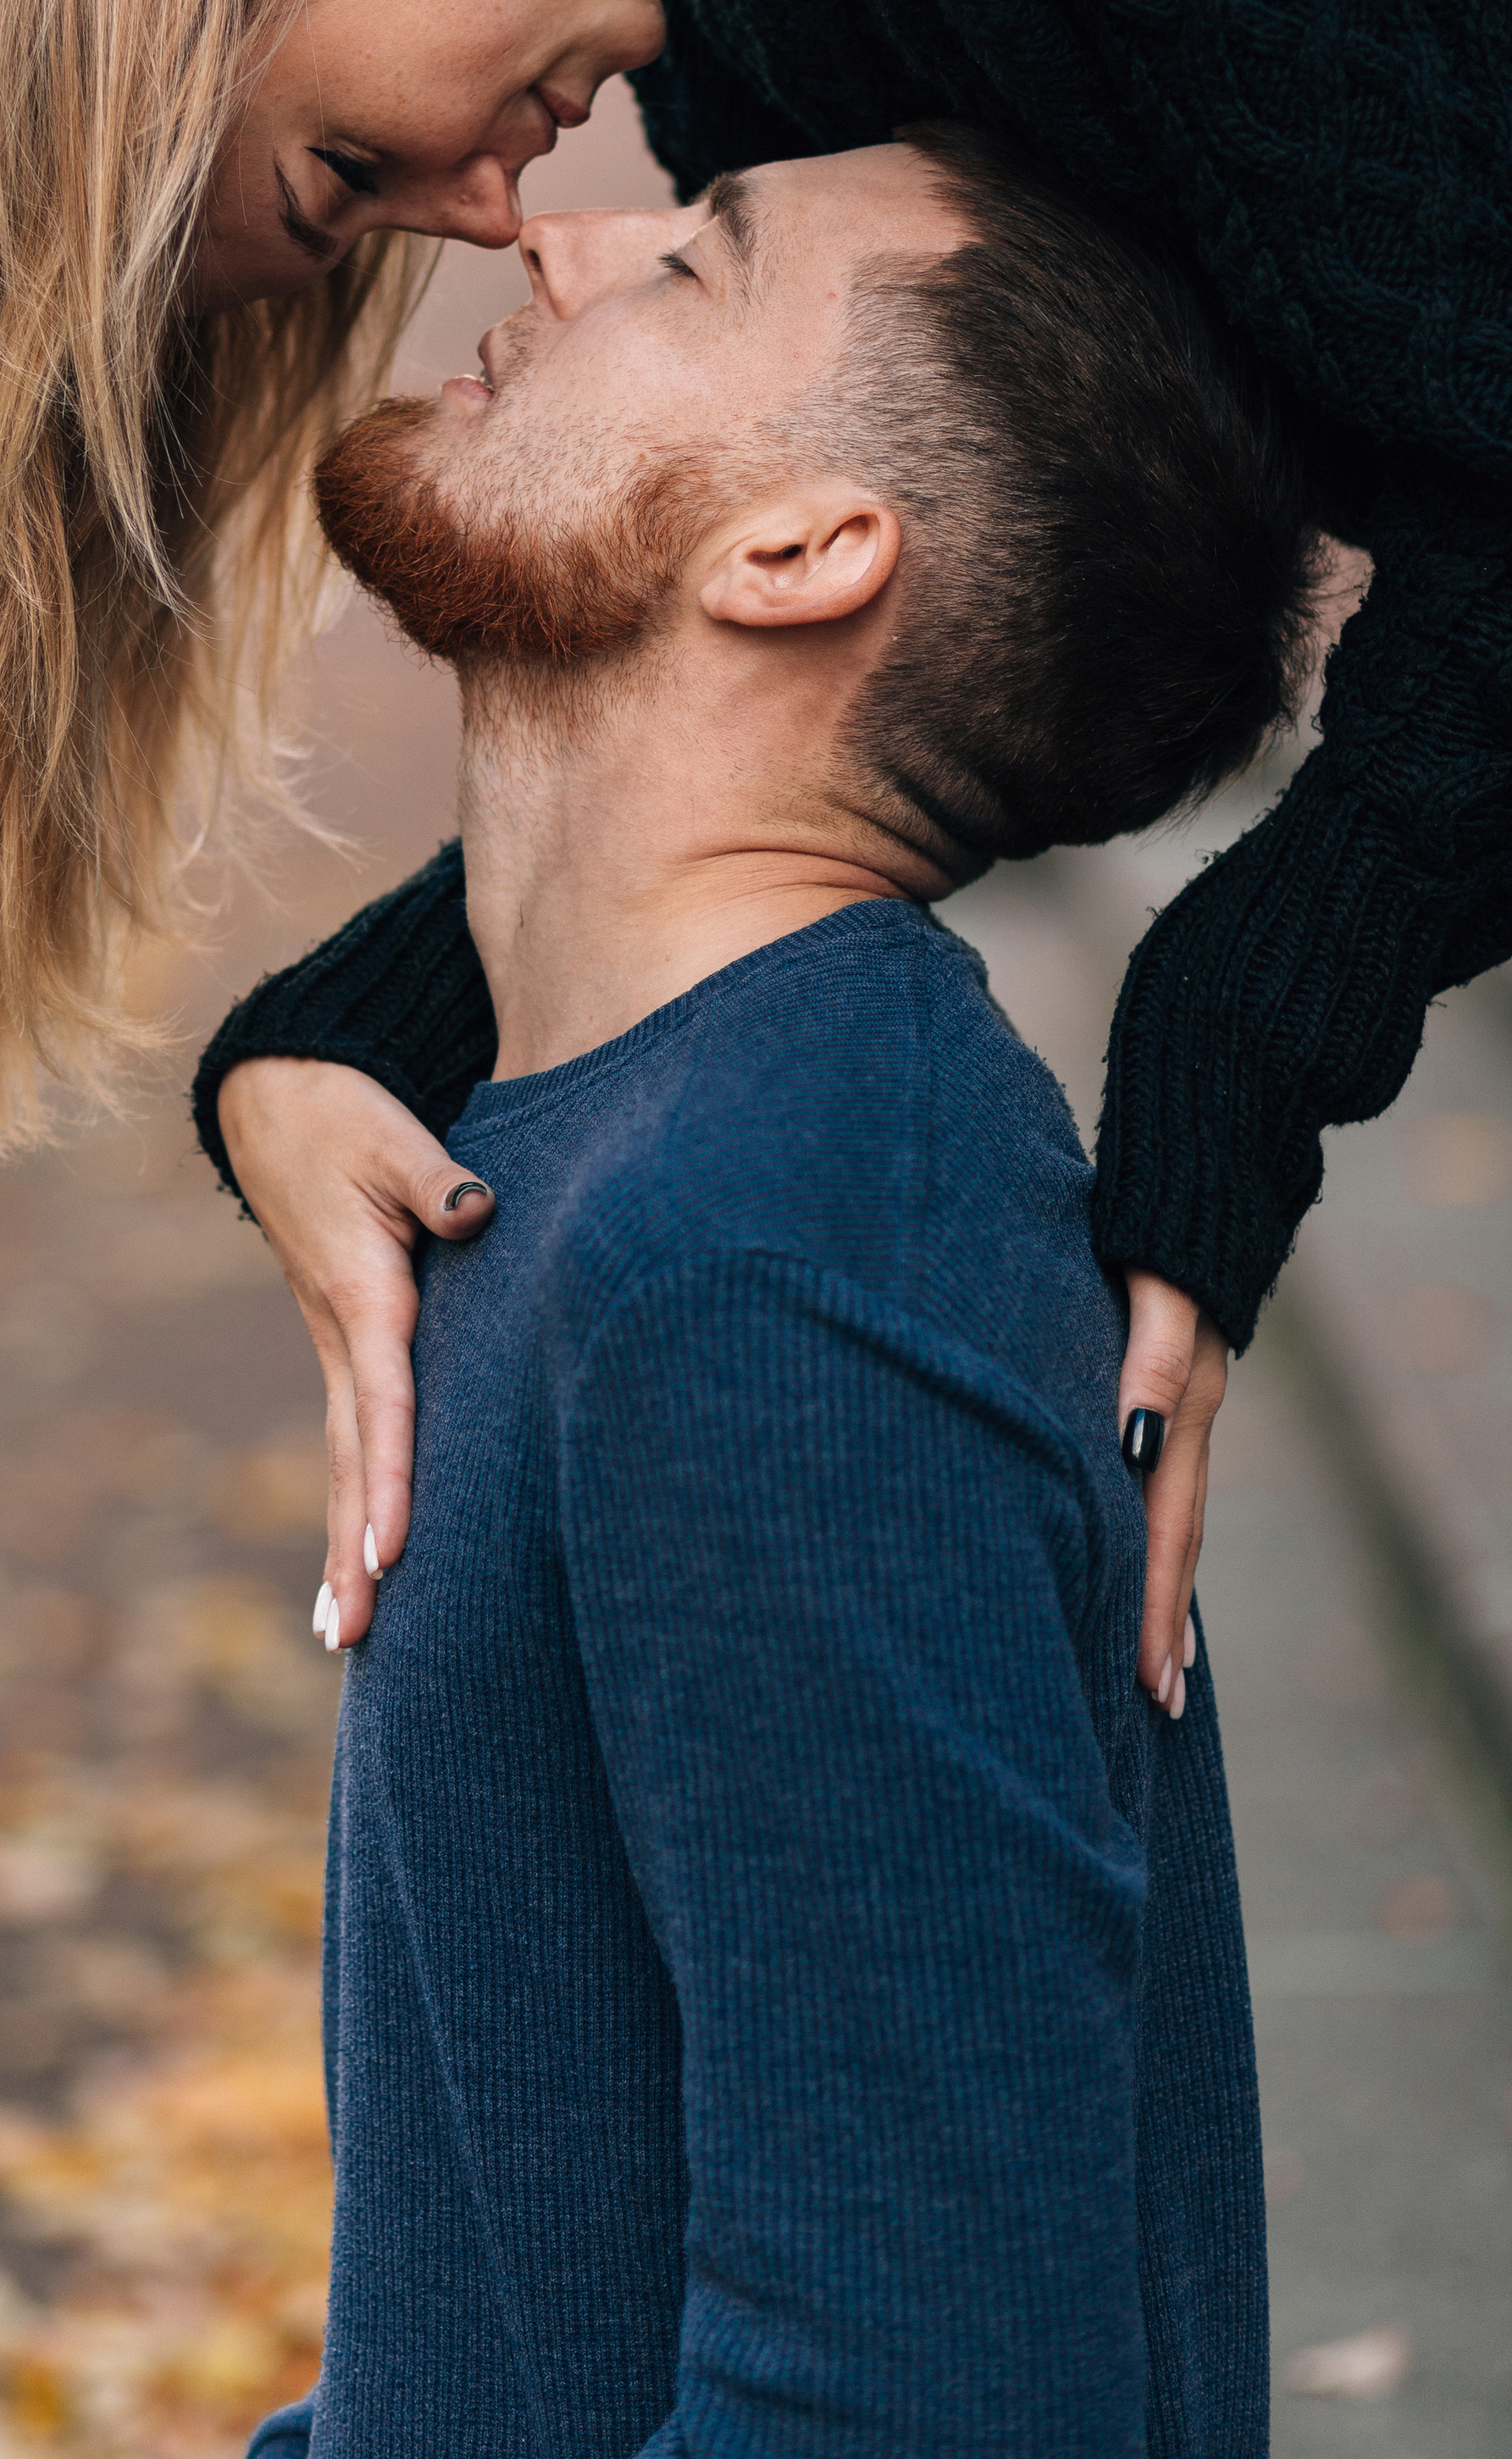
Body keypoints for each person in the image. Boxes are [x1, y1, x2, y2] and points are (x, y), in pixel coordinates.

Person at [0, 0, 1512, 1737]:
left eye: (344, 172)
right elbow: (907, 649)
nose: (495, 217)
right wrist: (344, 1039)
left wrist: (1229, 1039)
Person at [245, 122, 1304, 2459]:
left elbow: (921, 2403)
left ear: (804, 551)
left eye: (700, 262)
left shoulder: (784, 1254)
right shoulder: (674, 1155)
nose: (567, 229)